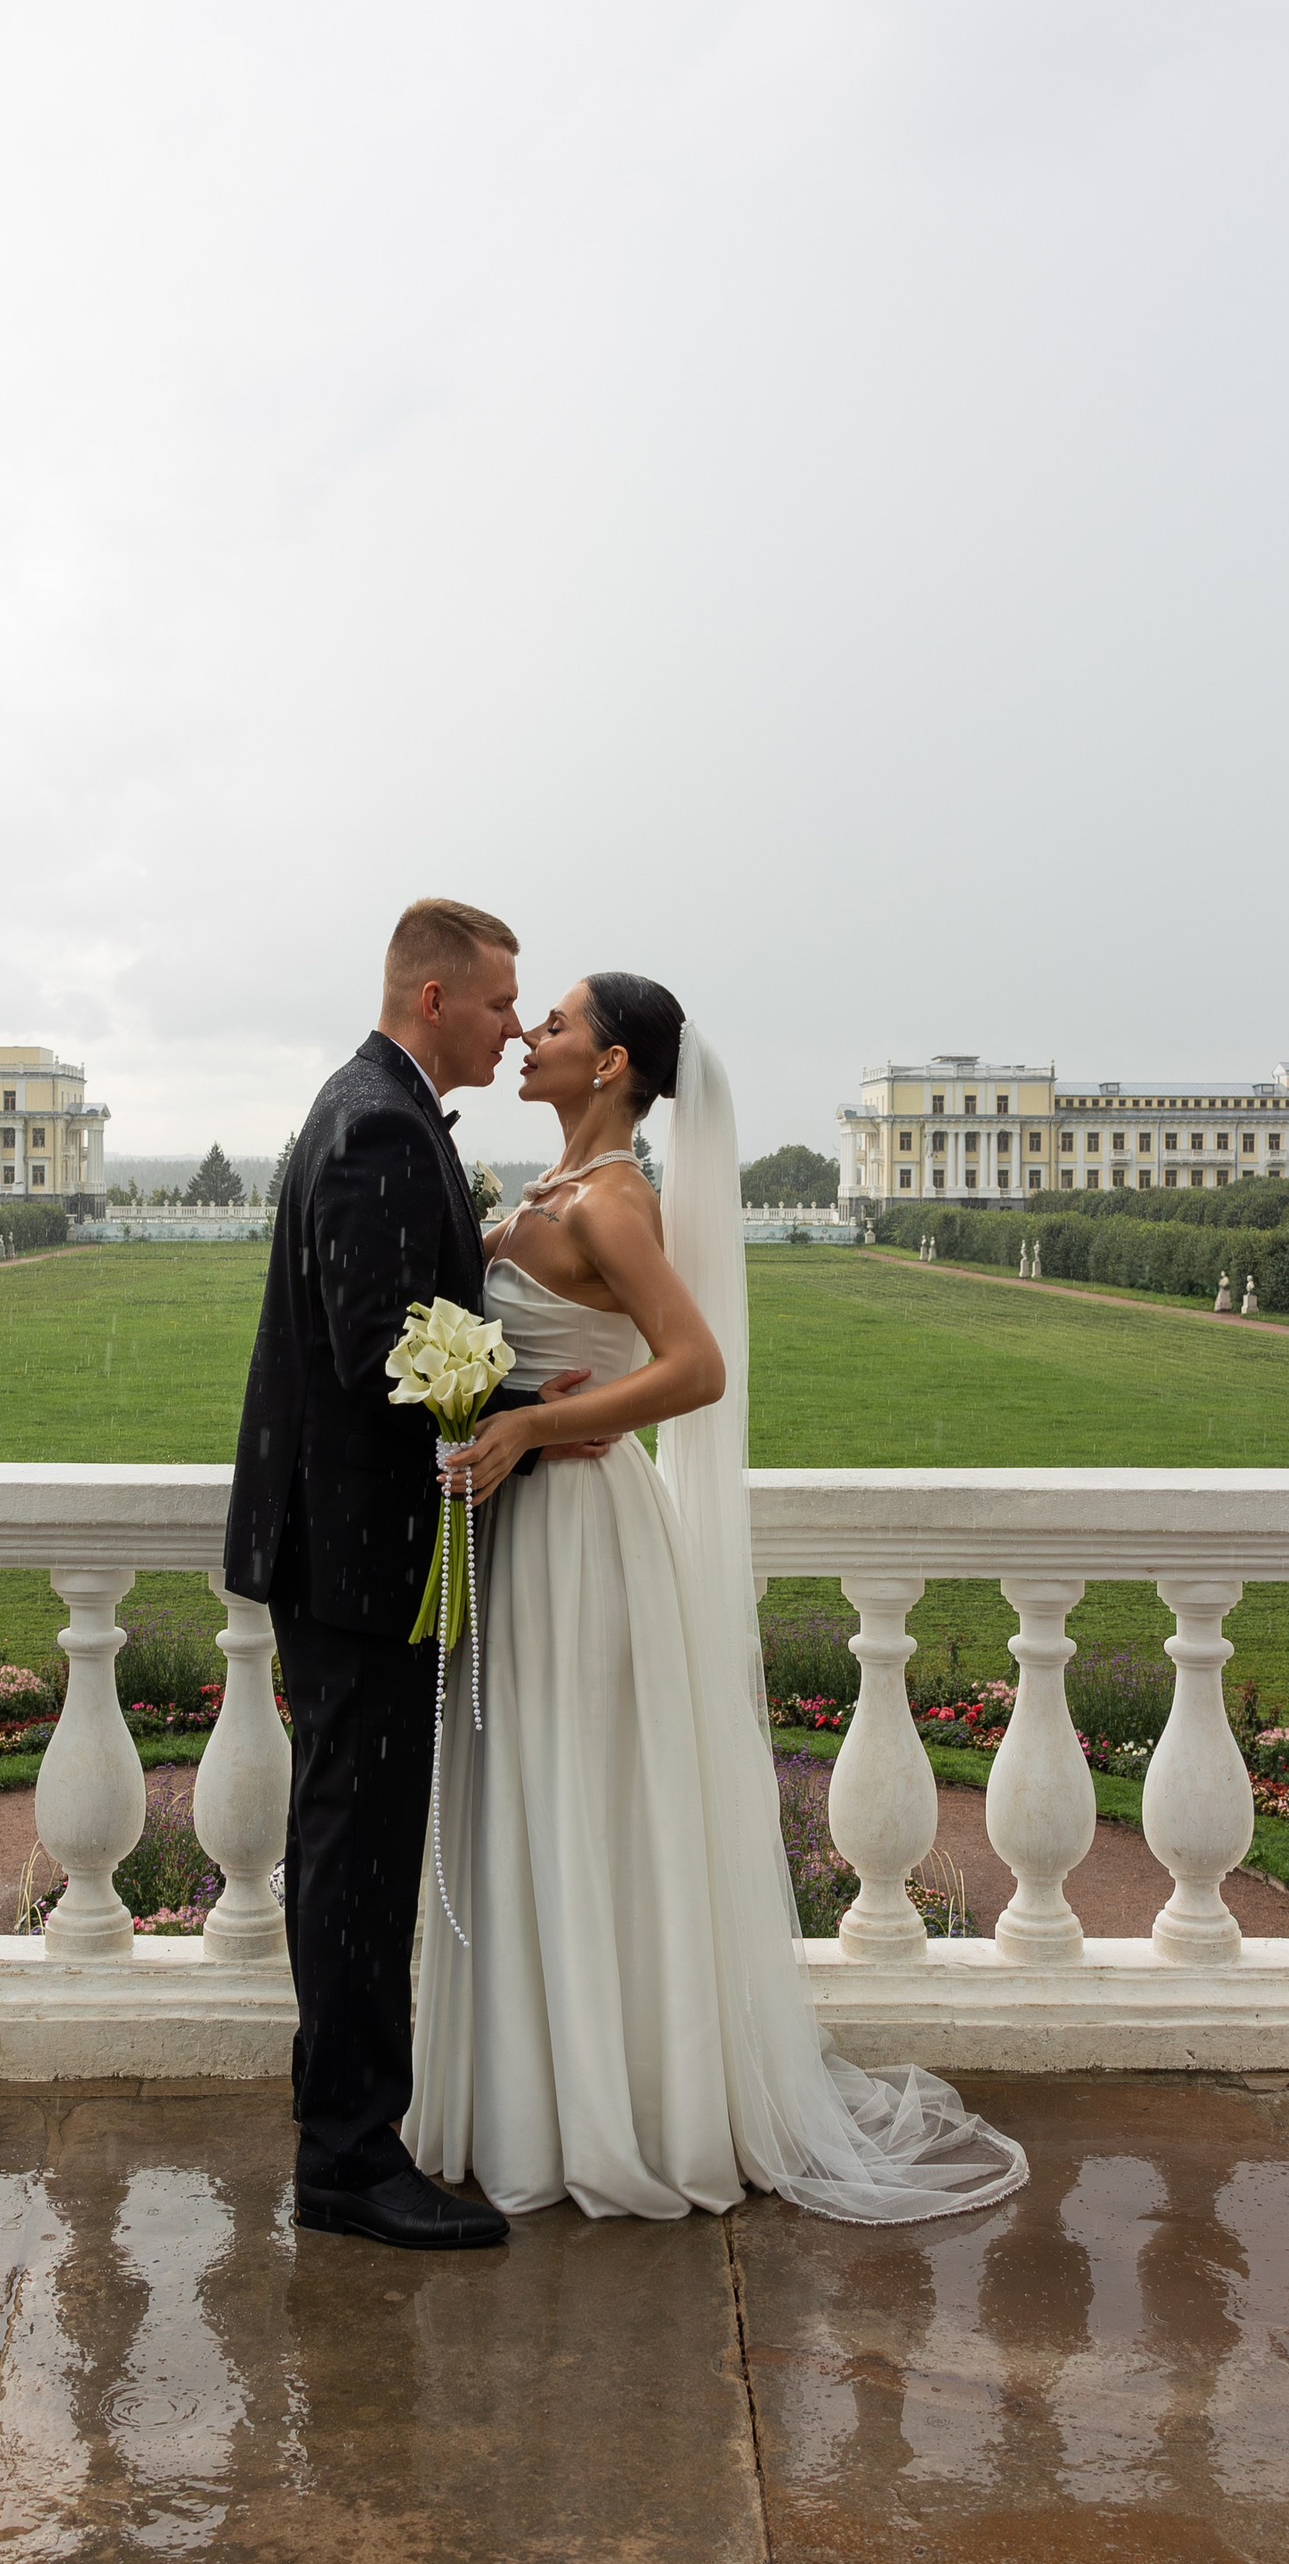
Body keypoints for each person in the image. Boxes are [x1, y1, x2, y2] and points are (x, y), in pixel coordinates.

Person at [407, 974, 1027, 2226]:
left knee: (579, 1794)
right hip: (525, 1530)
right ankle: (533, 2092)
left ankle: (609, 2108)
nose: (532, 1035)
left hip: (580, 1531)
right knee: (530, 1788)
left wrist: (535, 1429)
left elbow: (695, 1367)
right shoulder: (547, 1193)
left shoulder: (618, 1201)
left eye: (559, 1024)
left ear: (613, 1064)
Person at [226, 898, 600, 2252]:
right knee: (355, 1863)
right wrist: (544, 1404)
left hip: (355, 1557)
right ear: (434, 1000)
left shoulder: (376, 1107)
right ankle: (345, 2163)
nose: (514, 1026)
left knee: (361, 1854)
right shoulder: (378, 1123)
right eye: (501, 1004)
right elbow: (384, 1347)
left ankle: (354, 2144)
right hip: (360, 1564)